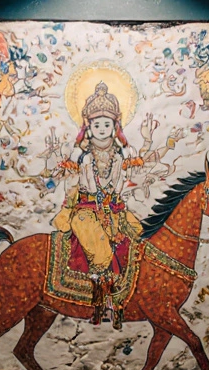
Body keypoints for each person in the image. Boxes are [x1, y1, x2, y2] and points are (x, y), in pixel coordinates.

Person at [52, 81, 144, 327]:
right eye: (97, 124)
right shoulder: (80, 155)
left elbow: (133, 179)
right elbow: (68, 181)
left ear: (115, 127)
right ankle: (103, 304)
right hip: (86, 209)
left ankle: (129, 294)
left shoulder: (121, 154)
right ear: (88, 128)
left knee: (138, 234)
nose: (102, 129)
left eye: (107, 124)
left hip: (114, 209)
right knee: (101, 251)